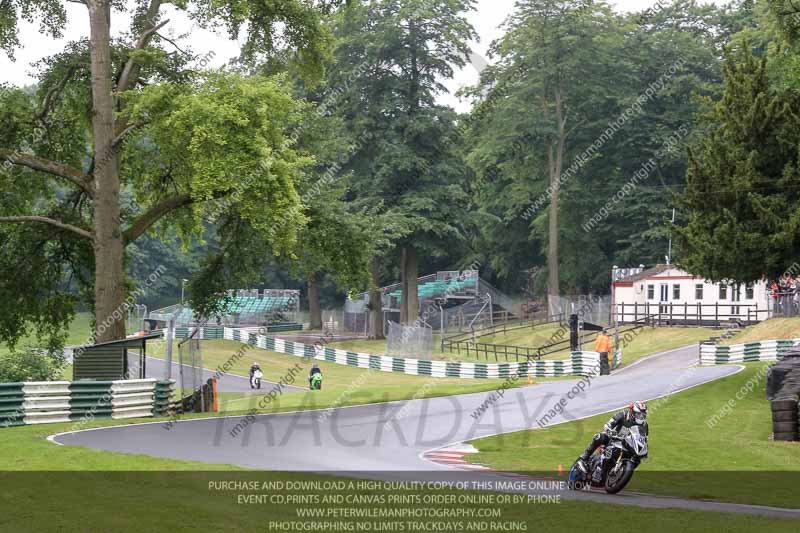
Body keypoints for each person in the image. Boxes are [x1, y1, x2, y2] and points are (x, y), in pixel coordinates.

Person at [577, 401, 648, 468]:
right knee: (599, 437)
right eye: (638, 414)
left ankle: (620, 474)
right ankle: (584, 457)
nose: (640, 417)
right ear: (632, 412)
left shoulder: (644, 425)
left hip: (628, 445)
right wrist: (609, 430)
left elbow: (644, 440)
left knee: (637, 460)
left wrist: (644, 451)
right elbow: (609, 424)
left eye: (642, 415)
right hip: (614, 438)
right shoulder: (623, 414)